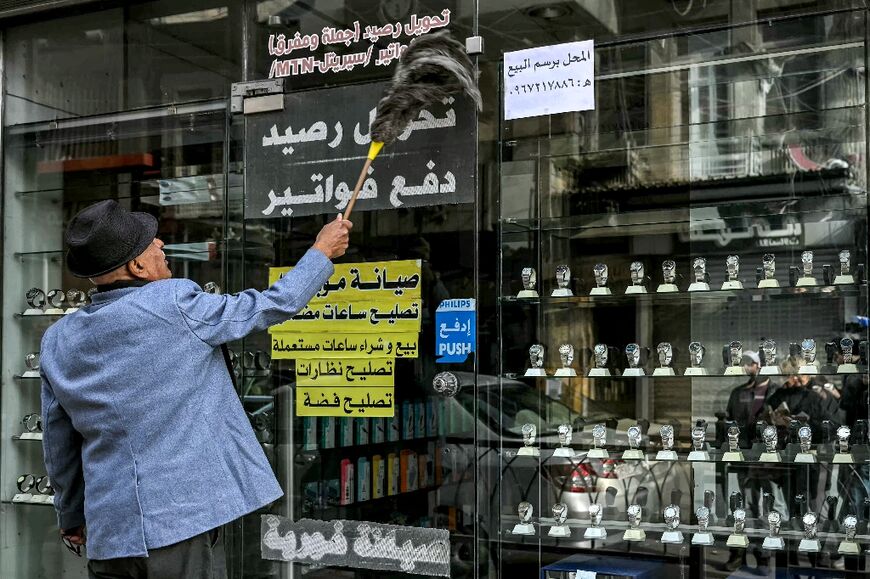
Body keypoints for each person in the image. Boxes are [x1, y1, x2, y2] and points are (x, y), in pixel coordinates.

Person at [40, 200, 351, 578]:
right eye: (152, 243)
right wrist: (321, 252)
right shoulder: (172, 303)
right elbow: (272, 305)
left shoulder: (58, 339)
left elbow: (59, 443)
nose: (162, 247)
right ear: (137, 266)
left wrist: (71, 515)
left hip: (110, 531)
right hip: (178, 524)